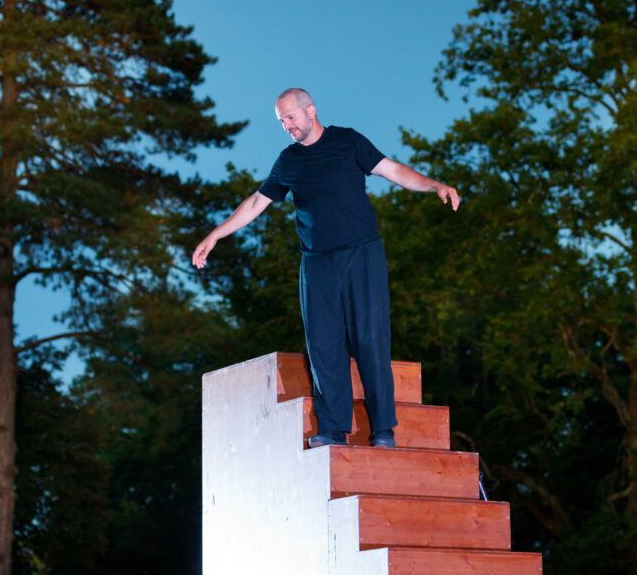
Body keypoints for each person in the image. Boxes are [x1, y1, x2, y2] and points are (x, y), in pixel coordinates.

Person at [192, 87, 459, 448]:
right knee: (323, 344)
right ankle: (333, 428)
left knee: (370, 339)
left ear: (311, 111)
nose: (287, 125)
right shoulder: (288, 161)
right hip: (317, 263)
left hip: (362, 254)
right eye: (281, 120)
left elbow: (392, 170)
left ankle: (382, 428)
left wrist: (435, 185)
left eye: (291, 116)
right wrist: (216, 235)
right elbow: (257, 201)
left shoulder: (347, 142)